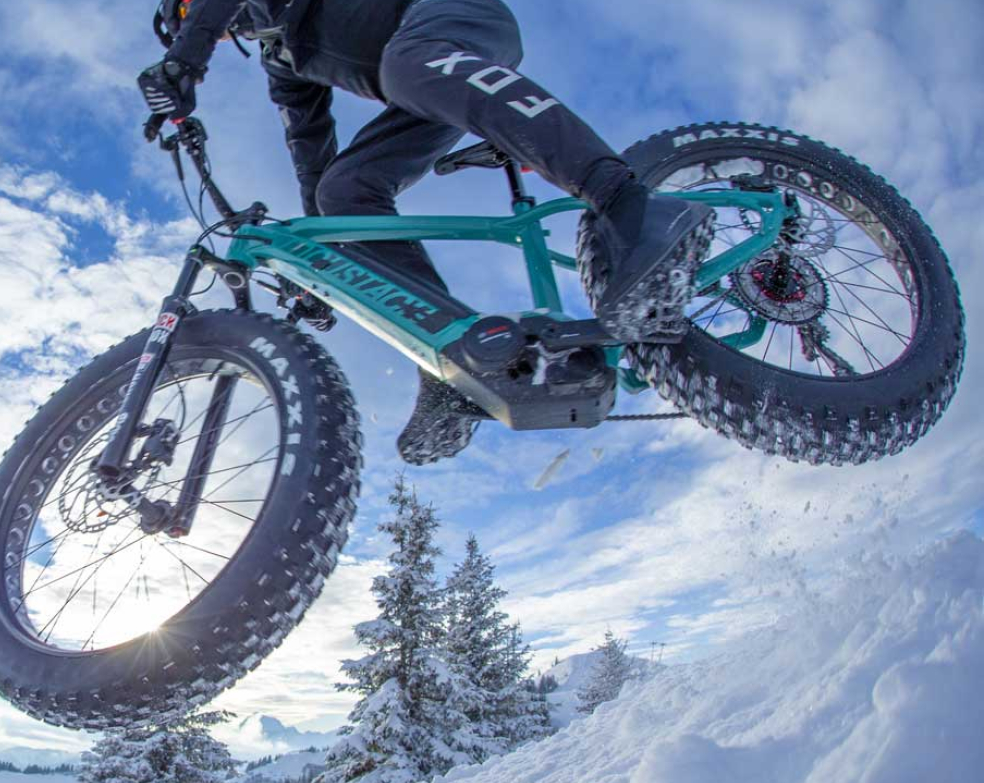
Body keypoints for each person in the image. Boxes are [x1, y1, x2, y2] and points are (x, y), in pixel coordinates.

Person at [137, 0, 714, 464]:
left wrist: (183, 65)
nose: (206, 27)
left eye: (193, 14)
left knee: (407, 65)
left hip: (451, 19)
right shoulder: (282, 61)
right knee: (345, 194)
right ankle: (451, 361)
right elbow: (310, 152)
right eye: (198, 29)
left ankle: (630, 203)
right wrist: (322, 261)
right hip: (422, 78)